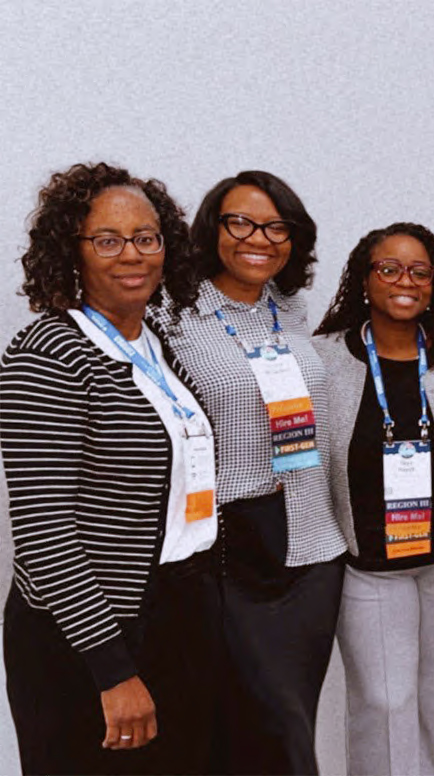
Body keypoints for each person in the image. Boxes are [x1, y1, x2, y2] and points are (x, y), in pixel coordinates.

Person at [0, 162, 218, 774]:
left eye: (147, 238)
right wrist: (113, 670)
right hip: (89, 634)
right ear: (71, 250)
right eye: (108, 240)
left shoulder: (155, 343)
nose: (133, 255)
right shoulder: (48, 352)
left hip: (174, 611)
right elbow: (44, 530)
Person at [151, 170, 347, 774]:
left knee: (293, 719)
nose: (257, 238)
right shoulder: (170, 314)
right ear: (214, 229)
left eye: (275, 226)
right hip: (230, 552)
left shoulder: (290, 310)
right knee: (253, 727)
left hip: (312, 545)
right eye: (240, 222)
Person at [312, 222, 434, 775]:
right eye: (390, 268)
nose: (406, 281)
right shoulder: (322, 359)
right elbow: (302, 461)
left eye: (420, 271)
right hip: (369, 566)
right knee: (383, 702)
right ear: (364, 279)